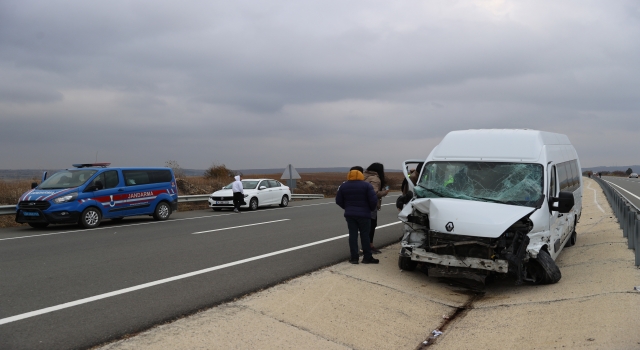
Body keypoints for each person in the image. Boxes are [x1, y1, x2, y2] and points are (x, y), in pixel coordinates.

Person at [336, 166, 379, 264]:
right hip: (364, 214)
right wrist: (370, 209)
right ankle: (367, 257)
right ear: (361, 175)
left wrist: (347, 207)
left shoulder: (344, 186)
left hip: (350, 214)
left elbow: (338, 200)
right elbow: (373, 200)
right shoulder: (367, 185)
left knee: (353, 235)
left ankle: (354, 258)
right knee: (365, 235)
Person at [363, 162, 389, 254]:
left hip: (362, 204)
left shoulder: (364, 176)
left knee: (366, 226)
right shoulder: (375, 179)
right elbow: (373, 193)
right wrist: (384, 193)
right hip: (371, 205)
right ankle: (368, 246)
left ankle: (367, 245)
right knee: (371, 225)